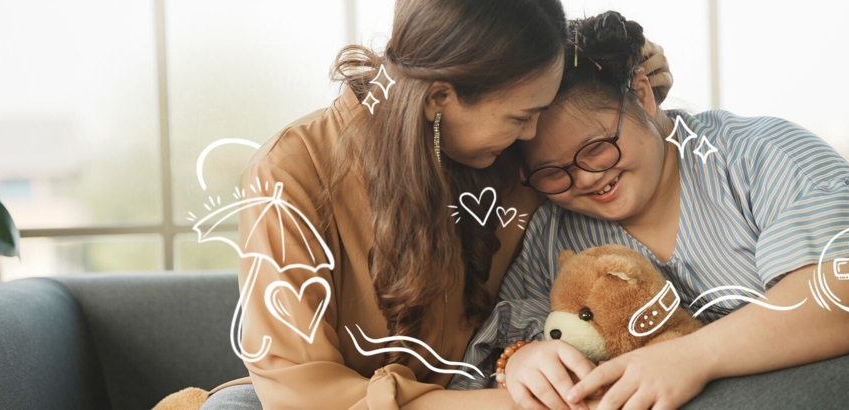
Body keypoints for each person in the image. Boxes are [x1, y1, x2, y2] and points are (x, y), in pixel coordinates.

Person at [187, 1, 674, 409]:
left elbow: (607, 160)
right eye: (521, 118)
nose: (531, 136)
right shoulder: (290, 173)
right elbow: (301, 394)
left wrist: (632, 94)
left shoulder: (507, 155)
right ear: (440, 97)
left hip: (502, 379)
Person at [457, 11, 849, 410]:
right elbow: (512, 334)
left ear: (643, 95)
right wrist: (523, 360)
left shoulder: (756, 155)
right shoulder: (554, 230)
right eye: (553, 172)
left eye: (596, 150)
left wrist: (691, 358)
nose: (584, 178)